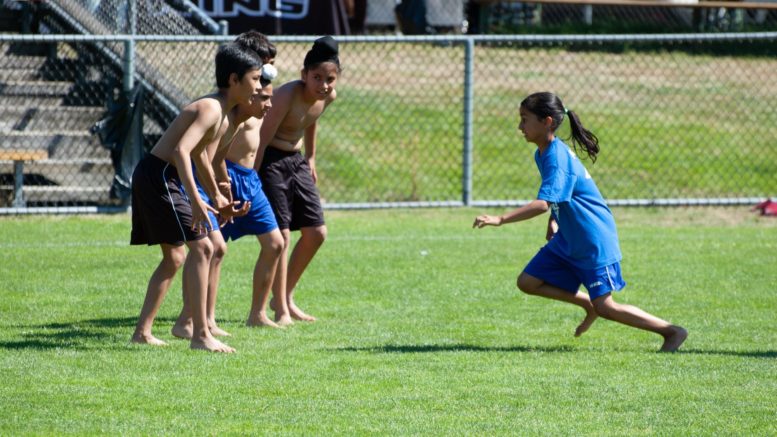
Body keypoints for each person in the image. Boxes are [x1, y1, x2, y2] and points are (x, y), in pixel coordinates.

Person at [473, 91, 688, 352]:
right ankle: (586, 303)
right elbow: (559, 195)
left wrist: (500, 219)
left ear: (547, 122)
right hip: (569, 238)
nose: (520, 126)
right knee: (528, 282)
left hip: (592, 239)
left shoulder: (557, 157)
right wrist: (555, 220)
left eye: (525, 119)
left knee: (606, 307)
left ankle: (671, 331)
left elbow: (543, 203)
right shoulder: (543, 154)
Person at [129, 42, 264, 353]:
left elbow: (203, 155)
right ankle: (199, 335)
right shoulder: (211, 108)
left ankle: (142, 332)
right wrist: (194, 198)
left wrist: (216, 196)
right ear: (234, 79)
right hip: (160, 175)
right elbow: (181, 151)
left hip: (163, 176)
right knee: (203, 246)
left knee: (177, 256)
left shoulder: (225, 115)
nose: (259, 87)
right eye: (255, 79)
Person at [170, 31, 282, 338]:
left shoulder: (257, 94)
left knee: (268, 244)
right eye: (262, 69)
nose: (265, 78)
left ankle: (239, 316)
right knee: (209, 248)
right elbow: (201, 152)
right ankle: (195, 319)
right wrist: (217, 187)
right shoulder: (227, 105)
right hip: (216, 176)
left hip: (242, 180)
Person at [255, 35, 341, 323]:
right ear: (304, 75)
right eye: (317, 77)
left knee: (317, 233)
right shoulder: (287, 94)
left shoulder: (327, 97)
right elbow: (262, 138)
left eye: (330, 78)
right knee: (283, 235)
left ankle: (286, 296)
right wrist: (251, 175)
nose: (324, 84)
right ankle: (279, 309)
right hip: (270, 161)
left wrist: (312, 157)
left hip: (296, 160)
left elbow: (310, 121)